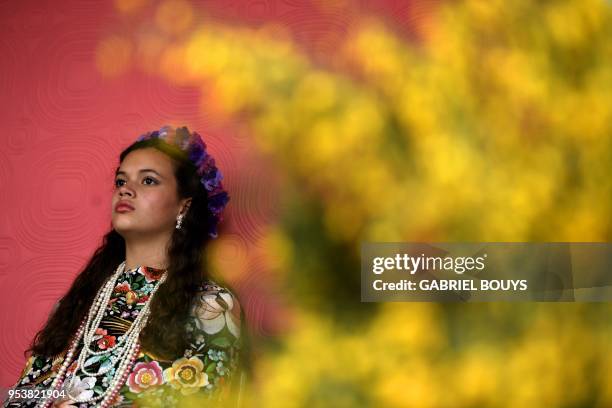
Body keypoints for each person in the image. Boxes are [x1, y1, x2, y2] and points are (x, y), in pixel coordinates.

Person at [2, 125, 251, 407]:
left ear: (184, 205)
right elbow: (23, 394)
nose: (126, 191)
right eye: (121, 182)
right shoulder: (76, 304)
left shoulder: (210, 306)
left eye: (148, 181)